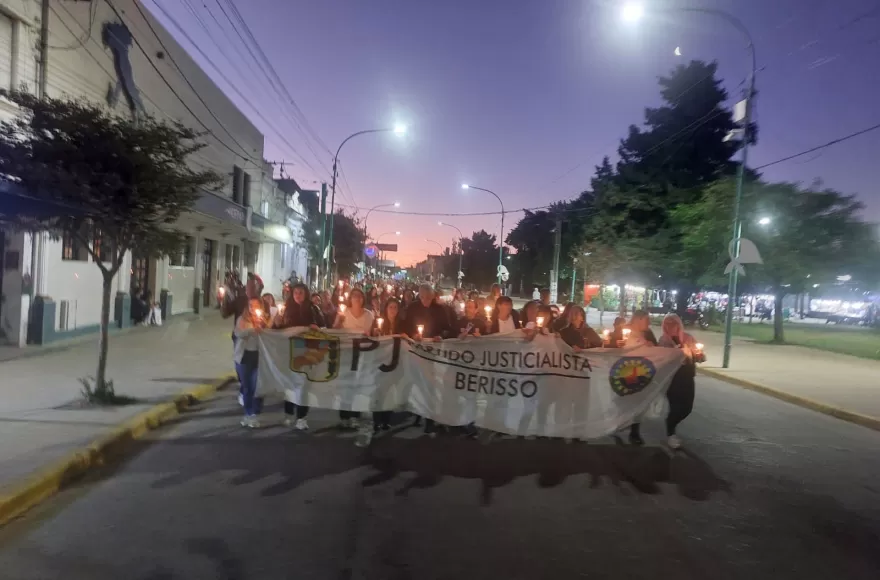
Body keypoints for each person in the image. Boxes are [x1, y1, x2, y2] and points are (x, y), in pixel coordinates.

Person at [404, 284, 453, 436]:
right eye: (424, 297)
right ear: (419, 296)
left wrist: (441, 336)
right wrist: (414, 335)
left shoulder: (439, 309)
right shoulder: (412, 308)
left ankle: (429, 420)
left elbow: (448, 328)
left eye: (429, 298)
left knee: (430, 384)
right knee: (417, 382)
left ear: (433, 297)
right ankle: (418, 413)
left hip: (433, 352)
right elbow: (405, 326)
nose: (426, 301)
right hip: (417, 351)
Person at [273, 283, 322, 430]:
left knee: (304, 385)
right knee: (290, 384)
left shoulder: (313, 309)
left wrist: (315, 326)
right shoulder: (285, 310)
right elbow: (277, 330)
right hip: (289, 351)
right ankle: (289, 414)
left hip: (306, 351)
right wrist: (277, 323)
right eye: (295, 293)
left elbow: (323, 326)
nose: (298, 295)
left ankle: (302, 417)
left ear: (306, 294)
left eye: (301, 292)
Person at [658, 314, 702, 449]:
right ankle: (671, 433)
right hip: (672, 378)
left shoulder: (688, 338)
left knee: (687, 408)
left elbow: (699, 358)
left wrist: (698, 354)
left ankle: (671, 423)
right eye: (667, 324)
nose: (670, 326)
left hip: (687, 376)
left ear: (679, 324)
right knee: (675, 407)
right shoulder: (663, 341)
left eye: (673, 323)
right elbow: (660, 359)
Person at [334, 288, 374, 429]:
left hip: (362, 355)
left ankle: (355, 416)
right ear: (350, 299)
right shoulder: (344, 313)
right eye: (354, 296)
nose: (357, 299)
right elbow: (335, 331)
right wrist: (339, 321)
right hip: (346, 354)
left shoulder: (369, 315)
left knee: (358, 386)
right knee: (345, 386)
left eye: (360, 296)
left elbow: (373, 333)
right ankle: (344, 416)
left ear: (363, 299)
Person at [233, 277, 268, 428]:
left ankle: (254, 412)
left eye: (257, 306)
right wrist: (254, 329)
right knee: (247, 387)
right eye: (251, 306)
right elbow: (239, 333)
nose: (254, 309)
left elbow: (272, 333)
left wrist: (264, 326)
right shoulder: (242, 319)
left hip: (258, 357)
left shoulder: (265, 320)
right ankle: (249, 414)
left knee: (257, 387)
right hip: (244, 357)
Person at [624, 309, 658, 445]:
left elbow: (657, 349)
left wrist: (651, 346)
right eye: (646, 320)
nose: (649, 323)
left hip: (641, 372)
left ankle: (635, 431)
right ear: (638, 319)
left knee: (638, 402)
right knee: (624, 402)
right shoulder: (624, 331)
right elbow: (610, 346)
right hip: (623, 372)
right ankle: (620, 422)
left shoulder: (648, 334)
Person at [371, 297, 404, 432]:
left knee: (390, 391)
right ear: (386, 308)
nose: (393, 310)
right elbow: (371, 337)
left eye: (395, 307)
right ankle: (376, 421)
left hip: (395, 361)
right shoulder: (378, 321)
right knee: (378, 391)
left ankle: (386, 420)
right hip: (380, 361)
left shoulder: (402, 323)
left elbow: (407, 337)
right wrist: (375, 333)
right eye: (390, 307)